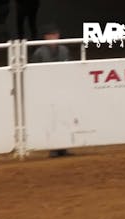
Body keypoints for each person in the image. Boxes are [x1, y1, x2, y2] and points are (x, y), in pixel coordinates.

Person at [30, 24, 71, 157]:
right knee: (50, 118)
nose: (53, 37)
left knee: (64, 117)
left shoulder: (64, 50)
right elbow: (34, 73)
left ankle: (63, 146)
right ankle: (53, 146)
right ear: (45, 37)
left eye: (55, 35)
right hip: (46, 90)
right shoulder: (39, 53)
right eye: (51, 35)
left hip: (62, 89)